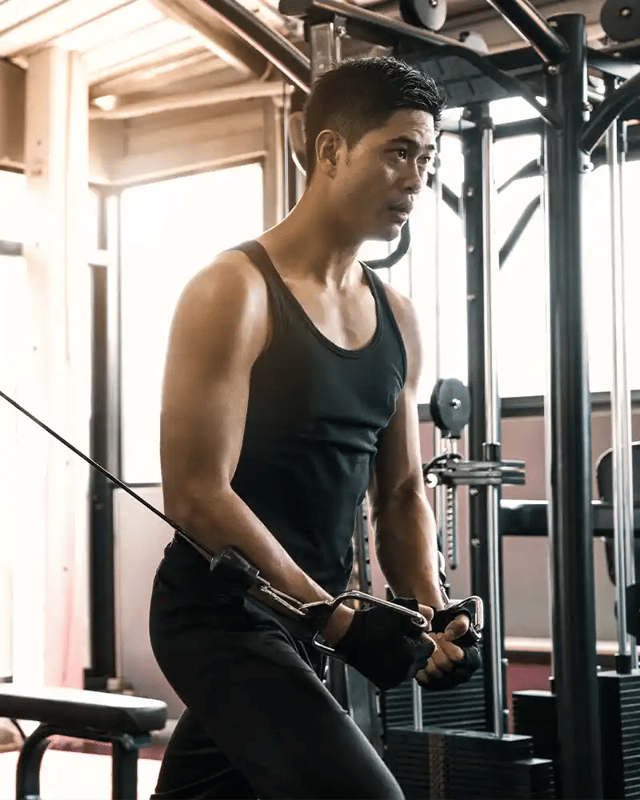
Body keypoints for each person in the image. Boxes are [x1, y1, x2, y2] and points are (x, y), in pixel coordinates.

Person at [149, 55, 473, 800]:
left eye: (427, 158)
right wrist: (334, 621)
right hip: (220, 617)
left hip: (305, 620)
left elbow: (398, 492)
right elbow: (197, 494)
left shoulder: (396, 316)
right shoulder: (232, 291)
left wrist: (433, 608)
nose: (417, 180)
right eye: (398, 152)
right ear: (331, 151)